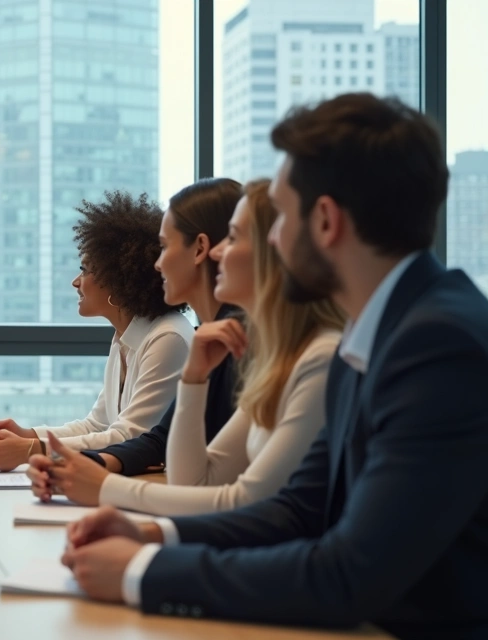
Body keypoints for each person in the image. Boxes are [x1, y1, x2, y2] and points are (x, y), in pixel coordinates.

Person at [53, 94, 488, 639]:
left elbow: (348, 574)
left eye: (278, 216)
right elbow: (296, 511)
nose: (269, 240)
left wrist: (145, 571)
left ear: (326, 221)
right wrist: (158, 537)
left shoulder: (436, 345)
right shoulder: (374, 331)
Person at [30, 179, 344, 515]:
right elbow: (189, 476)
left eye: (234, 239)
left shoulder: (312, 357)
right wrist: (193, 379)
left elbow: (245, 502)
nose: (219, 252)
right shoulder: (271, 355)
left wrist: (105, 486)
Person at [0, 191, 193, 470]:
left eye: (85, 269)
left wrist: (32, 450)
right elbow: (97, 424)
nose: (75, 282)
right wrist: (27, 435)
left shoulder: (168, 339)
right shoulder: (125, 337)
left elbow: (131, 437)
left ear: (117, 278)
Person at [85, 178, 244, 476]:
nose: (157, 264)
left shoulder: (227, 342)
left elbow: (203, 480)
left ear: (199, 249)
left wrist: (92, 475)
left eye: (163, 247)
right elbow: (160, 439)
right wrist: (88, 464)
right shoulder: (209, 337)